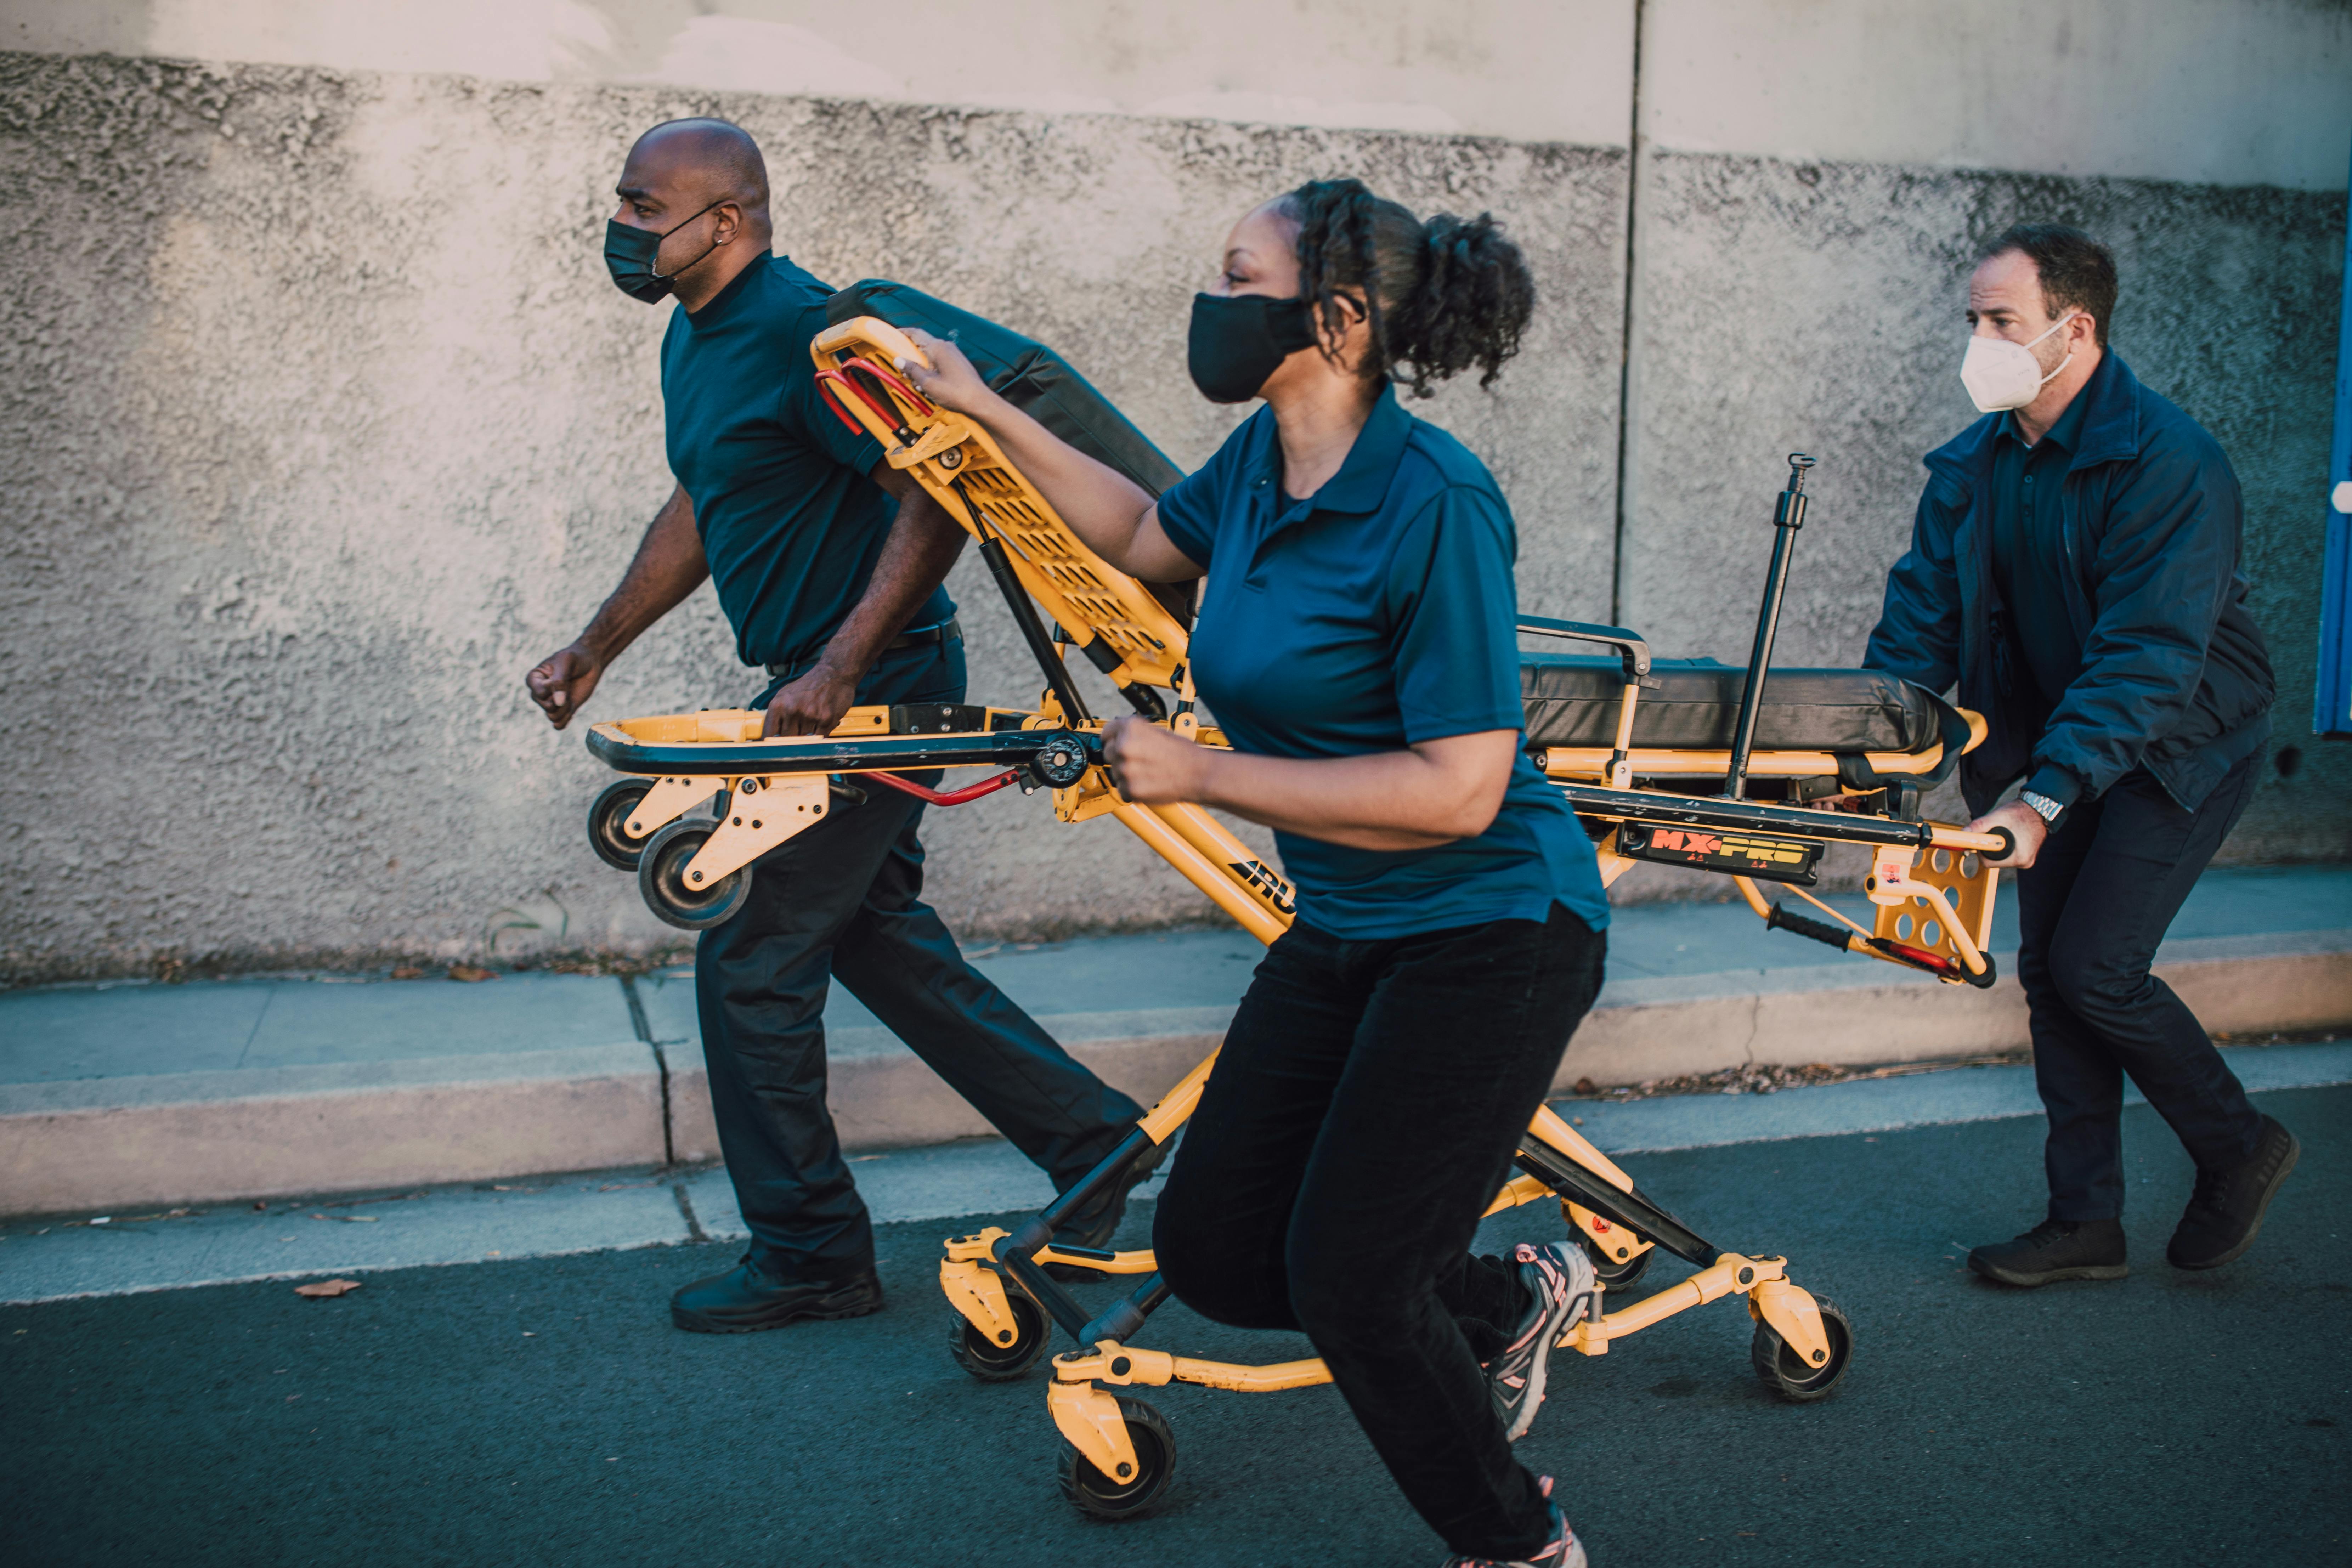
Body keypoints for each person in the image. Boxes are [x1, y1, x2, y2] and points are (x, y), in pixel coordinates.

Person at [903, 179, 1609, 1568]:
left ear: (1336, 320)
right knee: (1222, 1255)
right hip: (1347, 921)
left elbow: (1462, 790)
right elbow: (1135, 535)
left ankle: (1516, 1540)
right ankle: (1511, 1298)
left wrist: (1202, 771)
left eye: (1239, 276)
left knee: (1350, 1281)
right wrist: (981, 407)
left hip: (1493, 927)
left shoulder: (1435, 503)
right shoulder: (1259, 465)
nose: (1211, 302)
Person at [525, 118, 1154, 1334]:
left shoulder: (802, 331)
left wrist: (841, 663)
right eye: (622, 202)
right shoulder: (695, 339)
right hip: (823, 689)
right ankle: (1089, 1140)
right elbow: (708, 502)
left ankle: (812, 1252)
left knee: (752, 956)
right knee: (873, 937)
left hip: (871, 695)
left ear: (729, 221)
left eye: (645, 208)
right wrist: (598, 644)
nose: (622, 228)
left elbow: (937, 486)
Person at [1865, 223, 2295, 1289]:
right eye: (1972, 319)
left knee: (2097, 967)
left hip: (2180, 741)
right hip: (2073, 745)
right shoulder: (1974, 465)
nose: (1979, 341)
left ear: (2075, 327)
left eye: (2001, 320)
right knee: (2051, 979)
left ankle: (2238, 1143)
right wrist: (1860, 752)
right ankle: (2083, 1222)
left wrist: (2044, 797)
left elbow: (2149, 657)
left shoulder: (2173, 462)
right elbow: (1917, 630)